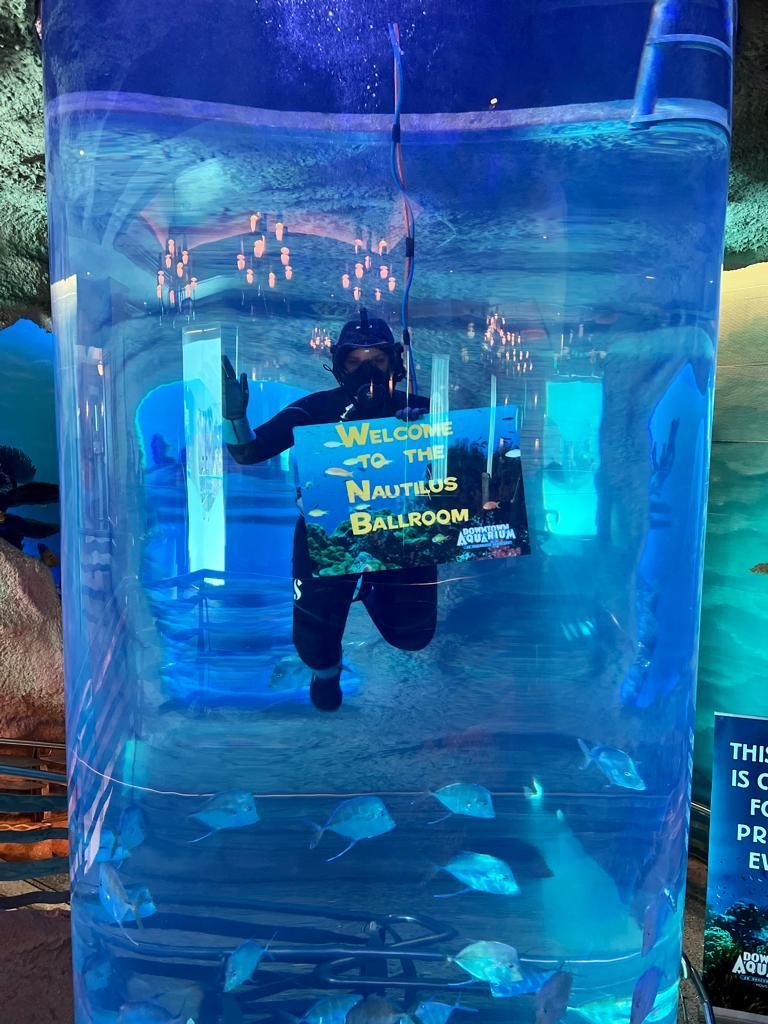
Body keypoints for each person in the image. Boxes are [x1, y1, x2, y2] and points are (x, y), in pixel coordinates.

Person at [222, 310, 438, 711]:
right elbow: (250, 451)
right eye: (355, 361)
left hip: (405, 531)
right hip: (326, 534)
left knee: (413, 634)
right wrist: (235, 418)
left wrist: (431, 431)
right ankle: (325, 675)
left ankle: (371, 588)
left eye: (376, 359)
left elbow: (471, 466)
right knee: (314, 633)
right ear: (338, 365)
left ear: (395, 361)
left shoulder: (425, 409)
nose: (366, 369)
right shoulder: (315, 409)